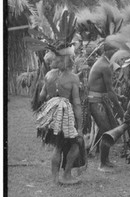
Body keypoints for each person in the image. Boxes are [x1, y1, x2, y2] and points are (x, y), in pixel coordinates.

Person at [36, 52, 85, 185]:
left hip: (52, 116)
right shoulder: (73, 78)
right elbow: (77, 103)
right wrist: (79, 127)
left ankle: (54, 179)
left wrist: (53, 102)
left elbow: (42, 96)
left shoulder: (49, 75)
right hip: (66, 115)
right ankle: (67, 176)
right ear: (70, 60)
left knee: (57, 147)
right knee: (76, 144)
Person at [87, 41, 125, 172]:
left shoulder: (104, 62)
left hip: (98, 100)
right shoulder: (105, 66)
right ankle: (102, 164)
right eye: (115, 51)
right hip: (96, 101)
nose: (117, 54)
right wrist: (120, 110)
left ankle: (106, 161)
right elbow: (109, 91)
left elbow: (106, 89)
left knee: (108, 130)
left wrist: (118, 98)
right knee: (107, 131)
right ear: (108, 51)